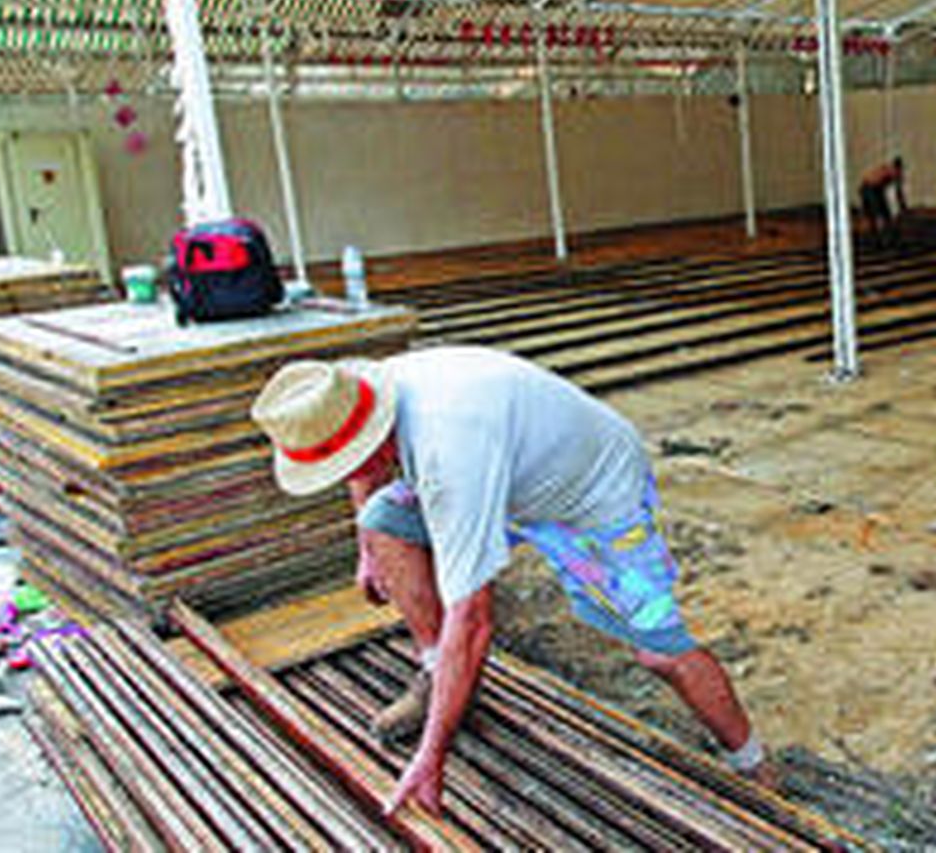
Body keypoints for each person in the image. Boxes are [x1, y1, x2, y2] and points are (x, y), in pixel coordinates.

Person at [250, 346, 774, 815]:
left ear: (372, 435)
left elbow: (473, 618)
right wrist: (369, 550)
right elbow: (361, 470)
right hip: (510, 476)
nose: (347, 473)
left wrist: (432, 756)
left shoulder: (447, 450)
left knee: (660, 652)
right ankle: (437, 674)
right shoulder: (349, 398)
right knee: (384, 521)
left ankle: (753, 764)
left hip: (593, 494)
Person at [858, 155, 907, 247]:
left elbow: (894, 191)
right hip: (870, 189)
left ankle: (877, 236)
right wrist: (902, 206)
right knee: (878, 215)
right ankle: (878, 237)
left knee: (880, 214)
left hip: (872, 189)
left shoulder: (887, 170)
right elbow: (898, 191)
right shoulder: (892, 172)